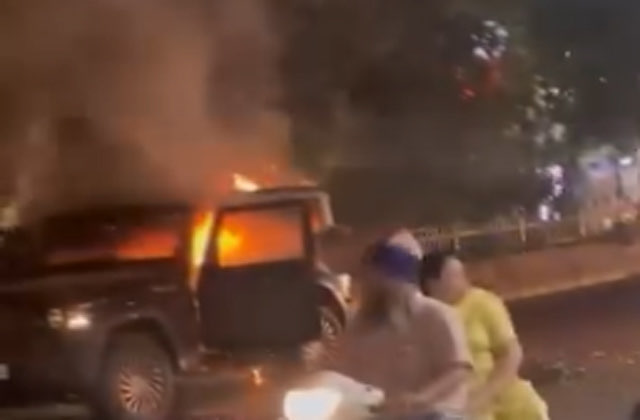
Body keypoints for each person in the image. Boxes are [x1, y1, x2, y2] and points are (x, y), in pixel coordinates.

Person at [330, 230, 472, 420]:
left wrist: (422, 398)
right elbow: (342, 375)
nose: (367, 285)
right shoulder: (357, 324)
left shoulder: (435, 315)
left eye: (376, 279)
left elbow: (458, 370)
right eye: (366, 278)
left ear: (398, 282)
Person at [419, 251, 548, 420]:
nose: (465, 281)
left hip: (497, 387)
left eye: (463, 274)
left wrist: (486, 394)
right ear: (433, 283)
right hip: (457, 398)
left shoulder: (483, 302)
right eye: (456, 276)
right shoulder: (424, 316)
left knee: (530, 406)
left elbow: (511, 354)